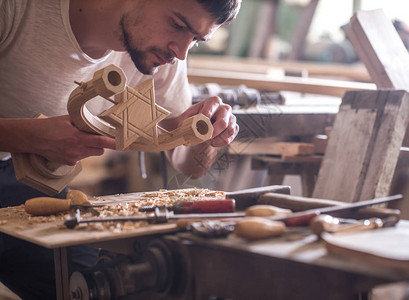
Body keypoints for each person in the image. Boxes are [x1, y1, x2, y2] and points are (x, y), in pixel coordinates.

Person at [0, 0, 241, 298]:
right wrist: (29, 138)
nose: (180, 52)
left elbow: (190, 166)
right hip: (18, 160)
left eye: (195, 39)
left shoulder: (163, 54)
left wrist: (202, 136)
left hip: (21, 179)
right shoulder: (18, 9)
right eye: (178, 25)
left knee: (92, 285)